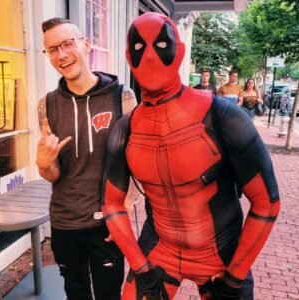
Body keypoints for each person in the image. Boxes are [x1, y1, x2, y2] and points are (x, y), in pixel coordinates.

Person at [101, 12, 280, 300]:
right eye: (138, 48)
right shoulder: (126, 129)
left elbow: (267, 202)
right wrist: (140, 266)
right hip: (160, 248)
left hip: (219, 253)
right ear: (128, 57)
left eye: (161, 46)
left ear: (179, 51)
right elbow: (111, 204)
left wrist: (234, 276)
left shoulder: (224, 117)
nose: (148, 57)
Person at [36, 17, 137, 300]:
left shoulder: (123, 97)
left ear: (86, 45)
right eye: (53, 49)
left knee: (108, 294)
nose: (62, 54)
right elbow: (54, 174)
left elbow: (138, 160)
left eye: (68, 44)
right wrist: (44, 165)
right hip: (64, 222)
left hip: (106, 221)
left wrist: (126, 205)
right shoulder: (46, 105)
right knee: (75, 292)